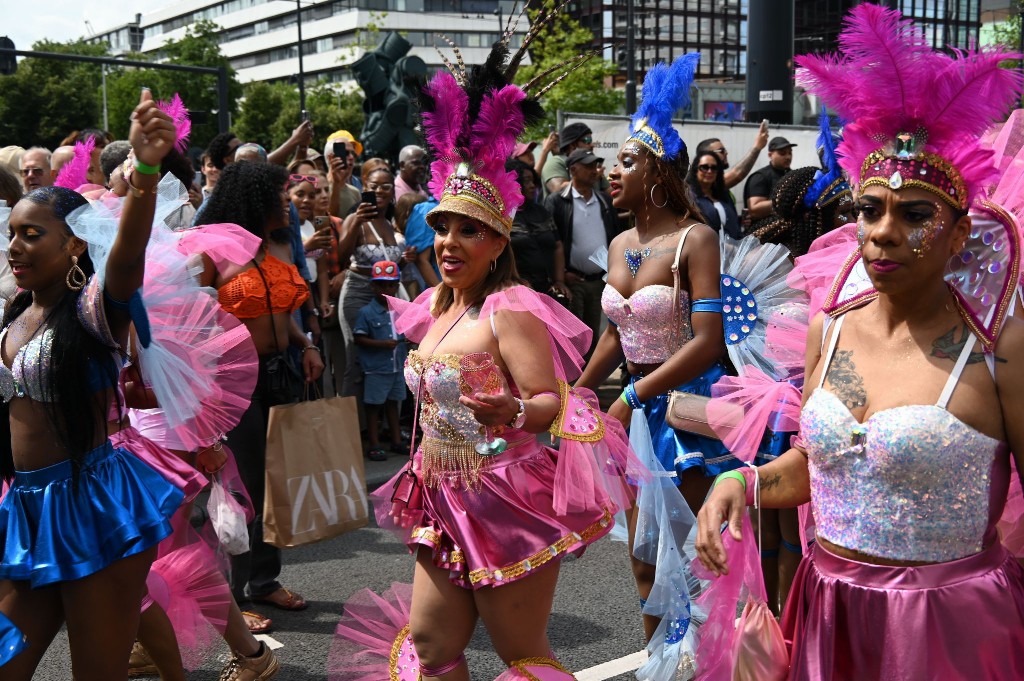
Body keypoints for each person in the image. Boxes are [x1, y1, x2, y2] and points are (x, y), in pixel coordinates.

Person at [695, 6, 1024, 679]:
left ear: (961, 233)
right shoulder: (831, 327)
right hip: (829, 612)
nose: (880, 232)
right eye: (869, 209)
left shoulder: (998, 347)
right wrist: (741, 480)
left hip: (949, 630)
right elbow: (819, 469)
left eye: (914, 214)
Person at [334, 35, 643, 680]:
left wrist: (513, 409)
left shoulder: (512, 309)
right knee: (431, 645)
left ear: (499, 239)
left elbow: (552, 402)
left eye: (468, 230)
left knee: (522, 656)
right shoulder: (438, 307)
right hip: (438, 491)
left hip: (504, 499)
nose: (449, 242)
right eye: (443, 226)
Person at [0, 90, 182, 679]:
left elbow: (126, 258)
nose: (15, 247)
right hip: (25, 510)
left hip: (91, 503)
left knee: (96, 673)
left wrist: (146, 173)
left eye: (32, 234)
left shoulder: (93, 313)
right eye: (12, 233)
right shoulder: (12, 316)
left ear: (75, 242)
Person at [576, 52, 740, 678]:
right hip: (636, 406)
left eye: (625, 161)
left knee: (698, 553)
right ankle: (658, 667)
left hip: (687, 410)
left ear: (658, 171)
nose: (611, 171)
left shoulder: (695, 238)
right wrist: (580, 390)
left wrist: (632, 395)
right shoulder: (618, 244)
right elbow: (615, 335)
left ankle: (714, 664)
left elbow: (707, 340)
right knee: (644, 557)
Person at [194, 160, 324, 621]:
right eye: (278, 194)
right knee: (241, 488)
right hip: (232, 386)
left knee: (275, 485)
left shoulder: (276, 248)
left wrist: (305, 345)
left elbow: (281, 315)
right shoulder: (212, 252)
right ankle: (231, 597)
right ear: (256, 201)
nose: (286, 201)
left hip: (280, 374)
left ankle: (263, 581)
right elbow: (188, 320)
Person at [336, 164, 414, 398]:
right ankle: (352, 426)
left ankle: (379, 426)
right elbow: (340, 258)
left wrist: (403, 262)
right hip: (358, 292)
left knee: (384, 361)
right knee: (357, 359)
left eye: (385, 187)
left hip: (385, 299)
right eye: (373, 187)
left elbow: (386, 270)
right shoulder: (354, 219)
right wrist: (357, 223)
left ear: (393, 192)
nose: (379, 191)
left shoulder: (389, 225)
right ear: (365, 190)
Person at [545, 148, 620, 358]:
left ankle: (587, 387)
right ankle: (573, 386)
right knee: (574, 338)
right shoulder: (557, 202)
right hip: (572, 281)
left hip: (599, 282)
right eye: (588, 166)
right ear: (573, 170)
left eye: (595, 165)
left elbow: (615, 237)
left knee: (594, 335)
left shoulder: (605, 202)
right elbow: (551, 242)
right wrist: (559, 276)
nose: (594, 170)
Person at [353, 261, 408, 461]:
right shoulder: (366, 313)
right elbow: (358, 338)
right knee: (374, 406)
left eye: (391, 284)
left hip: (396, 367)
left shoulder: (400, 310)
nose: (387, 289)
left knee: (394, 403)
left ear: (397, 285)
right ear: (373, 287)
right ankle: (374, 443)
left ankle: (395, 440)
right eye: (382, 285)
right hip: (377, 368)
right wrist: (382, 344)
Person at [506, 159, 567, 298]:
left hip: (547, 289)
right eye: (526, 181)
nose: (532, 186)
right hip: (516, 293)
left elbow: (557, 246)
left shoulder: (542, 212)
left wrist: (559, 281)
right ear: (514, 182)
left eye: (533, 181)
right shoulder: (504, 215)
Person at [695, 120, 769, 190]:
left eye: (725, 150)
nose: (726, 153)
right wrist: (757, 147)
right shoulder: (701, 182)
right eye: (721, 151)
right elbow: (737, 175)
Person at [541, 122, 610, 195]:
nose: (592, 145)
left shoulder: (593, 167)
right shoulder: (556, 162)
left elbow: (611, 194)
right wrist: (590, 178)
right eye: (587, 140)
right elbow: (558, 189)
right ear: (573, 145)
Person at [686, 151, 741, 239]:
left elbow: (735, 225)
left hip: (734, 250)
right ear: (695, 170)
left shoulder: (724, 194)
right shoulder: (688, 195)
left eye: (714, 168)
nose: (709, 171)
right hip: (707, 249)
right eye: (704, 167)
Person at [743, 136, 795, 221]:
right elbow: (755, 209)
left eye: (790, 153)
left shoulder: (793, 175)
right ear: (770, 155)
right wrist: (785, 199)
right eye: (782, 153)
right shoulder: (760, 177)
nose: (788, 157)